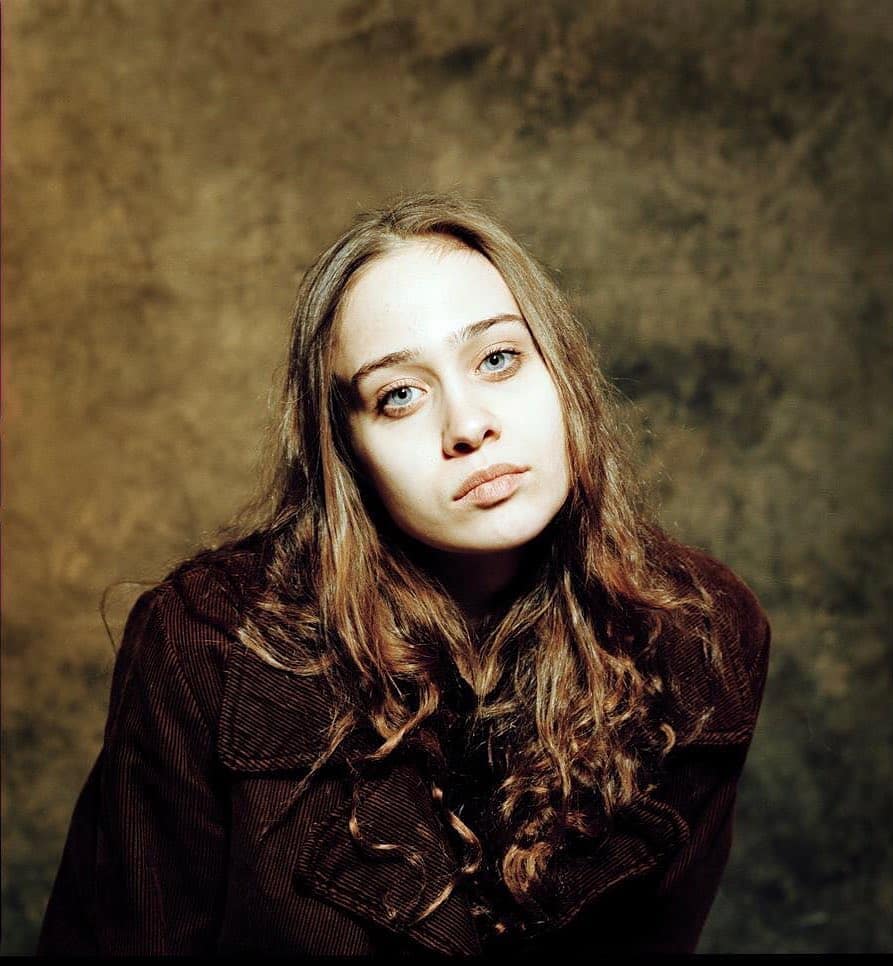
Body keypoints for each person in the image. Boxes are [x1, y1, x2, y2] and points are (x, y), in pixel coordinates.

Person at [37, 193, 771, 956]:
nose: (468, 426)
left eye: (497, 359)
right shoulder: (206, 647)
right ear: (348, 453)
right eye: (399, 396)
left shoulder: (702, 637)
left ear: (563, 373)